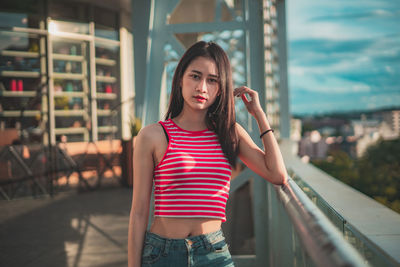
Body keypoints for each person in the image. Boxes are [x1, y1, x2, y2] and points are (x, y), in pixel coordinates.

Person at [128, 41, 287, 267]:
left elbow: (277, 174)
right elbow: (139, 212)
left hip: (214, 253)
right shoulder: (153, 135)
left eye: (212, 80)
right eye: (195, 76)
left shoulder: (230, 133)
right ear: (180, 78)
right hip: (163, 254)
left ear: (221, 88)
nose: (202, 87)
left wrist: (259, 115)